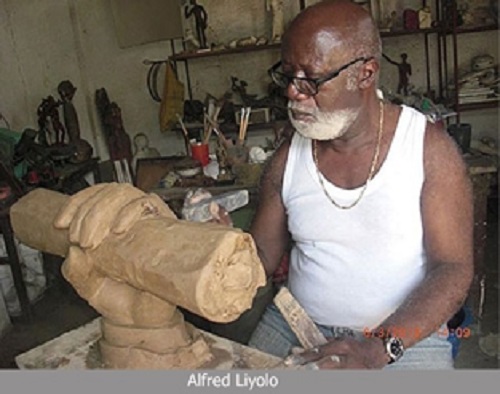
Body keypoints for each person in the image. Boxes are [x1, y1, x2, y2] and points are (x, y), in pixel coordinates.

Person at [246, 0, 473, 370]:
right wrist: (221, 250)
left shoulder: (427, 149)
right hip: (295, 323)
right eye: (288, 75)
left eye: (311, 78)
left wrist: (380, 348)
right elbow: (261, 256)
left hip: (407, 333)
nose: (293, 92)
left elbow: (453, 268)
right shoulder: (288, 159)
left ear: (366, 74)